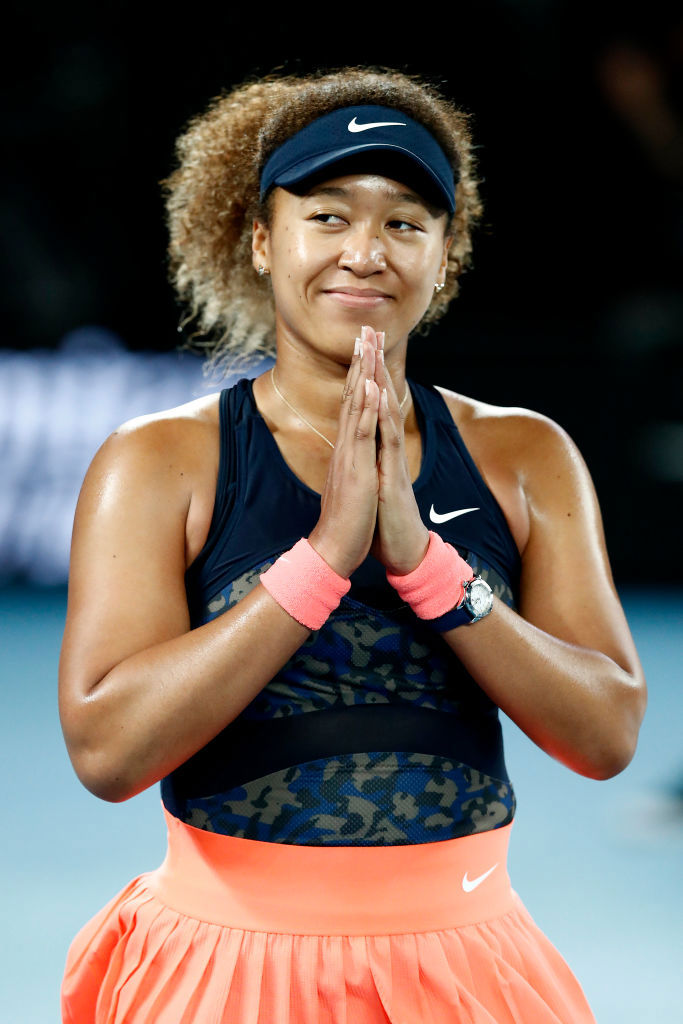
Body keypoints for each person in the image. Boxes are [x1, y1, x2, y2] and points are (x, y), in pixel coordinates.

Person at [59, 68, 647, 1023]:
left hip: (470, 975)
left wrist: (424, 564)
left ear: (445, 255)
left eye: (405, 223)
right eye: (326, 217)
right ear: (260, 239)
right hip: (221, 978)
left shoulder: (524, 454)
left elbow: (605, 733)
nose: (364, 252)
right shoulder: (160, 461)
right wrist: (322, 560)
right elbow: (106, 750)